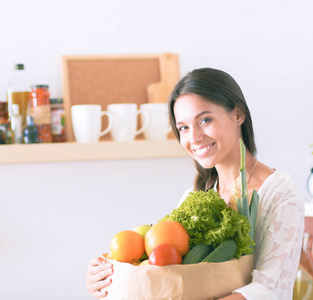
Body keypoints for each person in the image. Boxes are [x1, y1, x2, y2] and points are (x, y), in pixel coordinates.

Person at [86, 68, 304, 300]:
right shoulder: (195, 196)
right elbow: (167, 266)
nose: (194, 137)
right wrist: (109, 273)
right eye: (184, 128)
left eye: (205, 120)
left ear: (238, 114)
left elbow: (269, 290)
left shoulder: (280, 194)